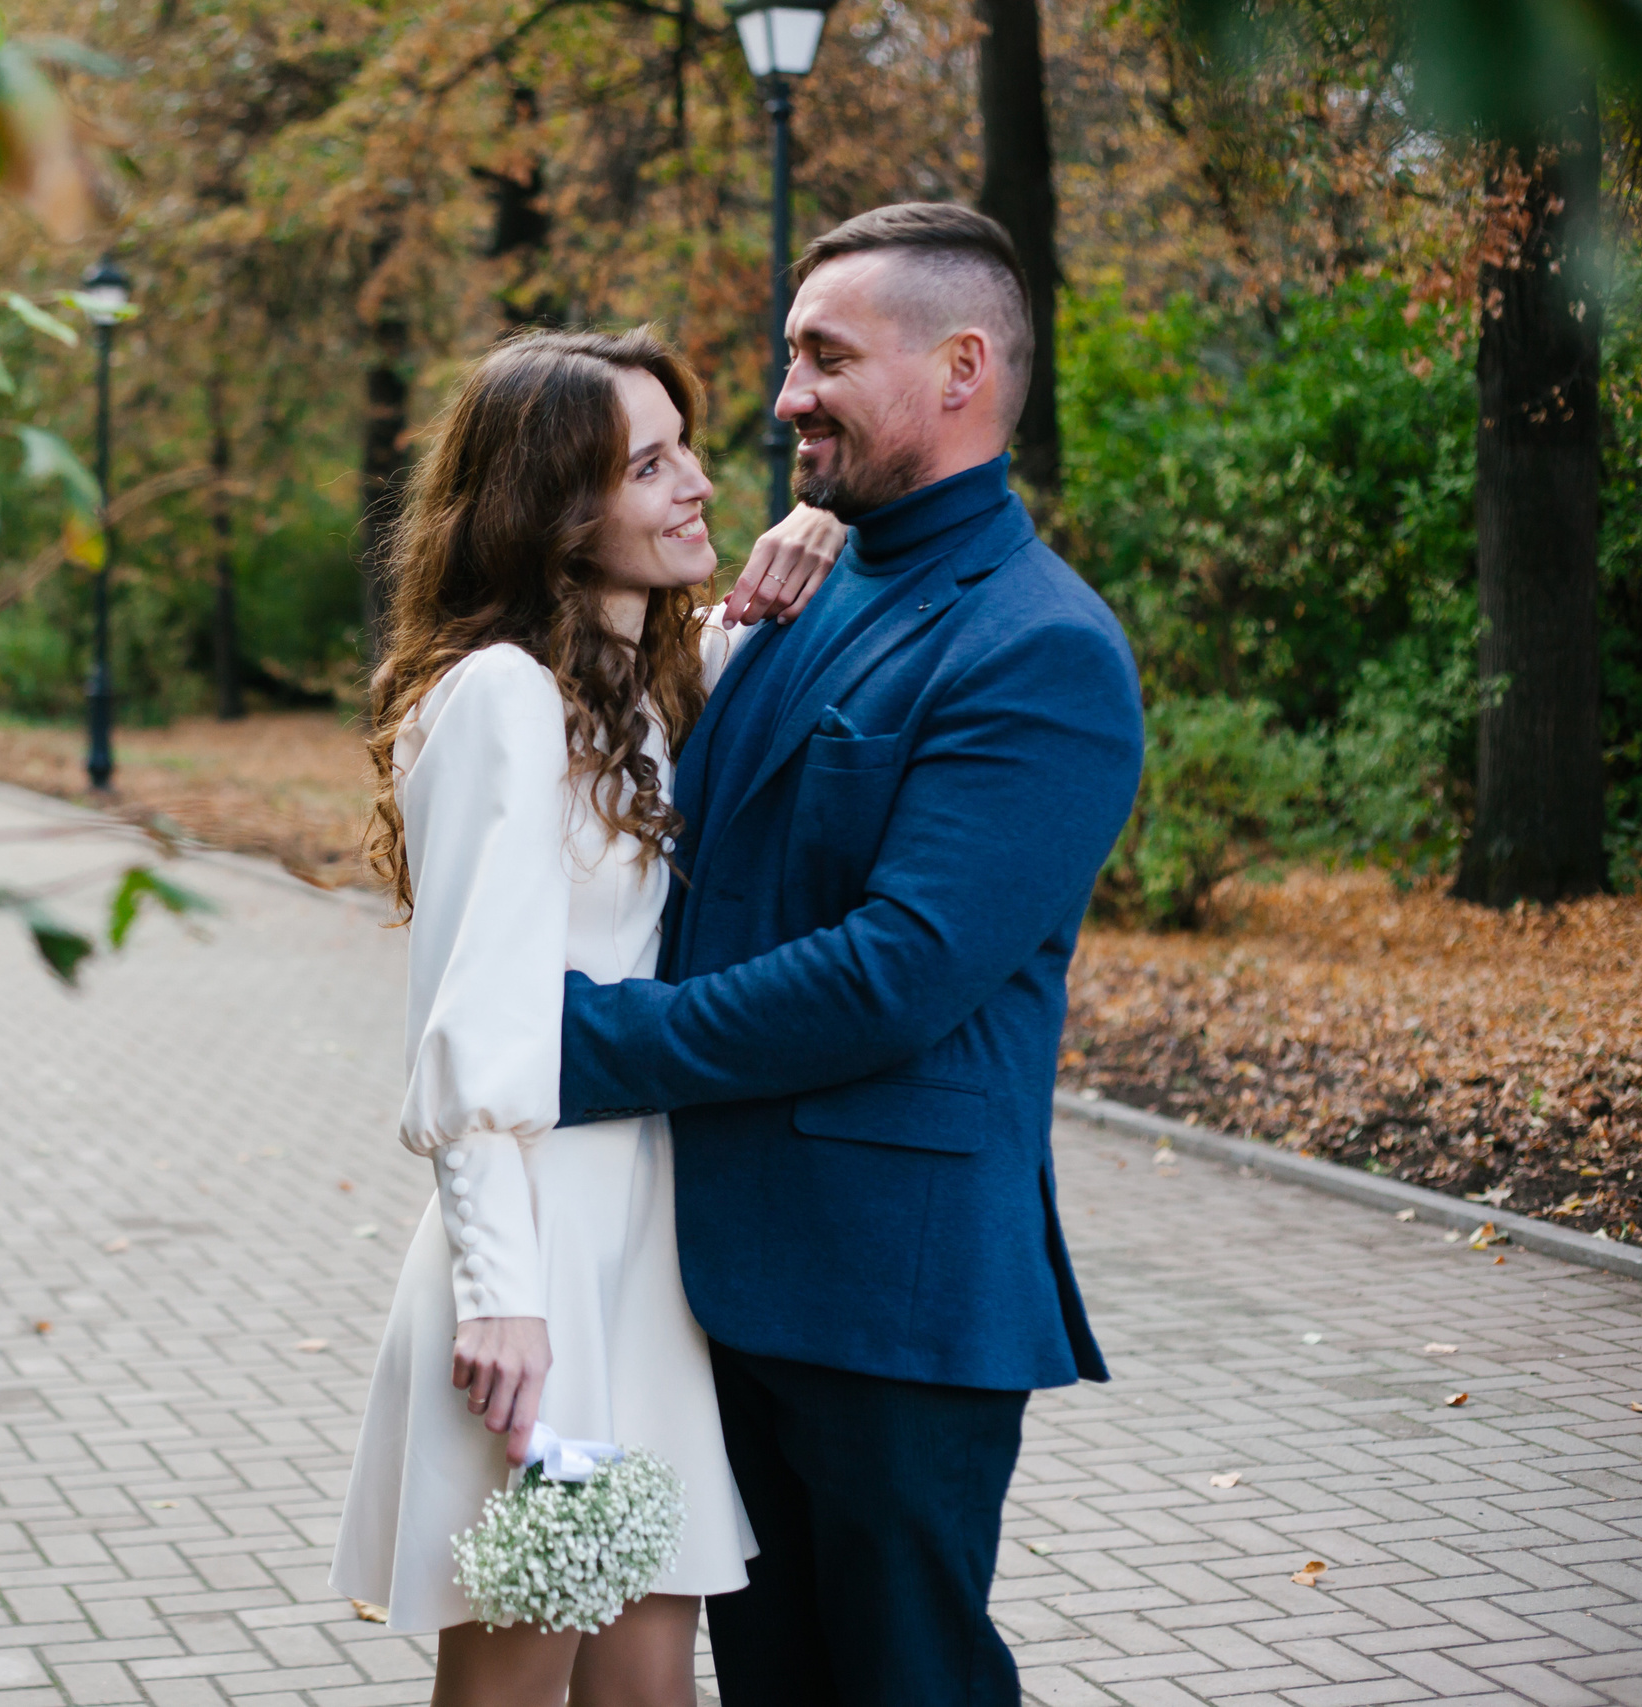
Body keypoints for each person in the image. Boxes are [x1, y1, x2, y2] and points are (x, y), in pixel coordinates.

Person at [554, 203, 1146, 1703]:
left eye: (825, 356)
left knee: (906, 1681)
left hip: (894, 1303)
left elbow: (896, 971)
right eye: (790, 353)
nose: (785, 394)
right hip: (708, 1275)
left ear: (960, 369)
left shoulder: (1040, 646)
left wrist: (579, 1044)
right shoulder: (807, 584)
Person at [329, 327, 844, 1707]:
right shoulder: (501, 698)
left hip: (645, 1262)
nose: (695, 484)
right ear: (556, 511)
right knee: (514, 1679)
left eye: (690, 446)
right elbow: (473, 1026)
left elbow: (752, 632)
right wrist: (507, 1302)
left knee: (646, 1683)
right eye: (649, 463)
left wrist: (818, 525)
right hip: (541, 1263)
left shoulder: (639, 693)